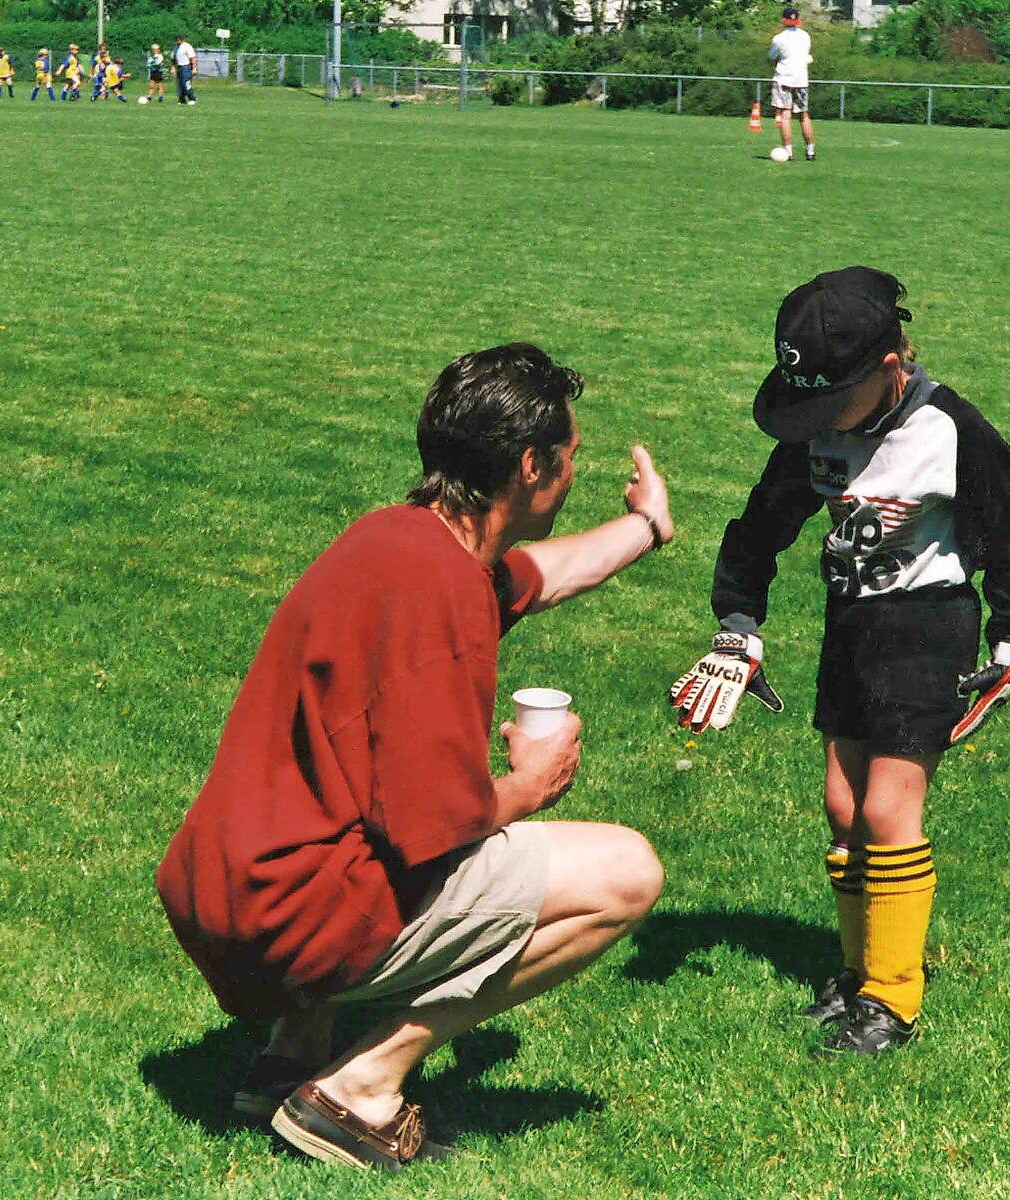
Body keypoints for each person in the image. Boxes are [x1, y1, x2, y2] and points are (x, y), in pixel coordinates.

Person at [156, 343, 674, 1170]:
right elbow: (433, 825)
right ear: (532, 464)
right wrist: (530, 785)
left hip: (227, 886)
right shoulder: (440, 596)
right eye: (571, 458)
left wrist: (647, 526)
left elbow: (536, 574)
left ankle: (289, 1057)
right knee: (625, 872)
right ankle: (358, 1088)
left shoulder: (397, 541)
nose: (575, 473)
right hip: (288, 916)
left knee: (349, 815)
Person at [670, 267, 1010, 1056]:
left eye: (828, 402)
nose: (816, 423)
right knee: (843, 805)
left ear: (887, 369)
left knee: (886, 811)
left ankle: (894, 998)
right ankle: (855, 973)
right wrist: (738, 625)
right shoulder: (818, 434)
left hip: (928, 627)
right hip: (851, 628)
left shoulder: (953, 432)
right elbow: (761, 528)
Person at [768, 6, 815, 162]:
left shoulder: (779, 38)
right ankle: (810, 151)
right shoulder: (805, 36)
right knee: (804, 115)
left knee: (785, 115)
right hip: (802, 79)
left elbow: (772, 58)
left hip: (783, 79)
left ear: (784, 20)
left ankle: (788, 152)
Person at [171, 34, 197, 105]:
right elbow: (173, 59)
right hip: (179, 67)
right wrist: (173, 68)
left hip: (186, 67)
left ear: (182, 40)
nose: (177, 42)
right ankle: (181, 99)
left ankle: (192, 98)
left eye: (179, 40)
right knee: (179, 84)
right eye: (176, 41)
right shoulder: (176, 48)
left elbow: (193, 58)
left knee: (186, 83)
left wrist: (194, 68)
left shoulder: (187, 46)